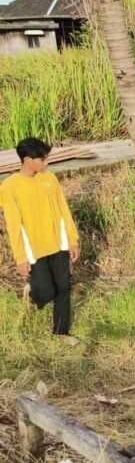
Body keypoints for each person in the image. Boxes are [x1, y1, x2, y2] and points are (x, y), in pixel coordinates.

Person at [0, 137, 80, 339]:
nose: (47, 162)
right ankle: (33, 292)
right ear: (27, 160)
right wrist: (20, 257)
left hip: (59, 243)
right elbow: (13, 225)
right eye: (42, 159)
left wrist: (72, 239)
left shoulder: (49, 178)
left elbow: (63, 209)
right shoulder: (10, 187)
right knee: (46, 292)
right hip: (34, 250)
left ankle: (61, 332)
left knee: (64, 288)